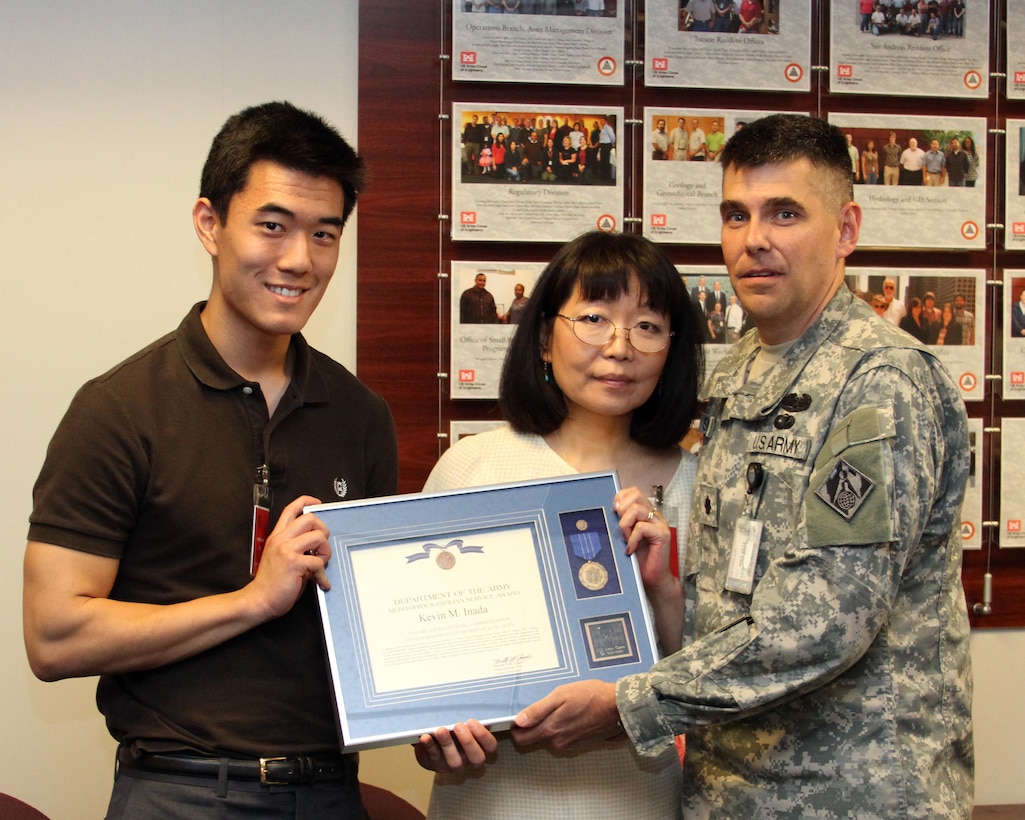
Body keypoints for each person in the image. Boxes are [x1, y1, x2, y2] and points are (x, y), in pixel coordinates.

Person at [471, 114, 973, 818]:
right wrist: (669, 596)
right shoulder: (740, 371)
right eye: (735, 214)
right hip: (727, 791)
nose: (753, 239)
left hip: (850, 794)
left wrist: (628, 703)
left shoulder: (880, 382)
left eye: (785, 213)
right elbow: (730, 596)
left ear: (846, 230)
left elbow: (825, 619)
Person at [23, 101, 399, 818]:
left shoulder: (360, 416)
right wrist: (253, 601)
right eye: (272, 226)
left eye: (325, 234)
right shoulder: (119, 409)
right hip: (181, 791)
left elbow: (376, 625)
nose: (299, 259)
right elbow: (53, 635)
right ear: (209, 224)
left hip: (329, 793)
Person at [416, 230, 705, 819]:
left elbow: (717, 682)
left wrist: (664, 591)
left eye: (647, 326)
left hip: (637, 799)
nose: (620, 346)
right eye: (594, 317)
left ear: (672, 349)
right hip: (490, 799)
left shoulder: (704, 486)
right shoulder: (473, 467)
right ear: (545, 339)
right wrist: (431, 739)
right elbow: (423, 661)